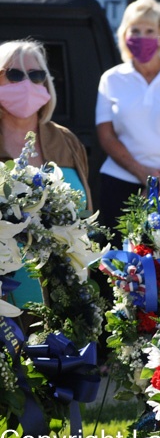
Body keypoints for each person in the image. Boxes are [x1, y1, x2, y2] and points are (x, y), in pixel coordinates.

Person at [96, 0, 160, 237]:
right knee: (120, 256)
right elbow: (106, 135)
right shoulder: (111, 79)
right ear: (124, 35)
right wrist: (142, 173)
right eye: (135, 30)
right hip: (120, 183)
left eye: (149, 30)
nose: (142, 37)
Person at [0, 39, 93, 305]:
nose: (26, 83)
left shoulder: (67, 141)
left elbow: (85, 216)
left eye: (36, 75)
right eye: (14, 74)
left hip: (64, 296)